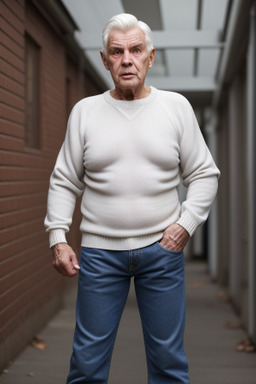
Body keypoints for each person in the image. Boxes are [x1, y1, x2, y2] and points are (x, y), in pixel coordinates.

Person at [44, 13, 220, 384]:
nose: (127, 59)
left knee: (169, 365)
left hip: (162, 252)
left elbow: (204, 173)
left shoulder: (175, 108)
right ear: (105, 59)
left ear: (150, 57)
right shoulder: (85, 112)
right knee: (87, 366)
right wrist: (58, 238)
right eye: (117, 51)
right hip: (99, 255)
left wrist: (185, 225)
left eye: (136, 50)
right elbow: (64, 180)